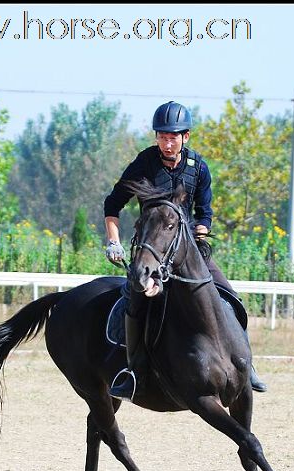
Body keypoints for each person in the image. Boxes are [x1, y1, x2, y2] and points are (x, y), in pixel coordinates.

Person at [104, 101, 267, 400]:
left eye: (173, 136)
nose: (167, 142)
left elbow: (204, 213)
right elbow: (112, 205)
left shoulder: (199, 168)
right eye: (162, 136)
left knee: (231, 299)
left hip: (189, 251)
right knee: (135, 300)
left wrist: (200, 240)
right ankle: (134, 371)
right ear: (156, 137)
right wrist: (113, 241)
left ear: (185, 137)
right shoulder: (143, 164)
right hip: (152, 251)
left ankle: (246, 365)